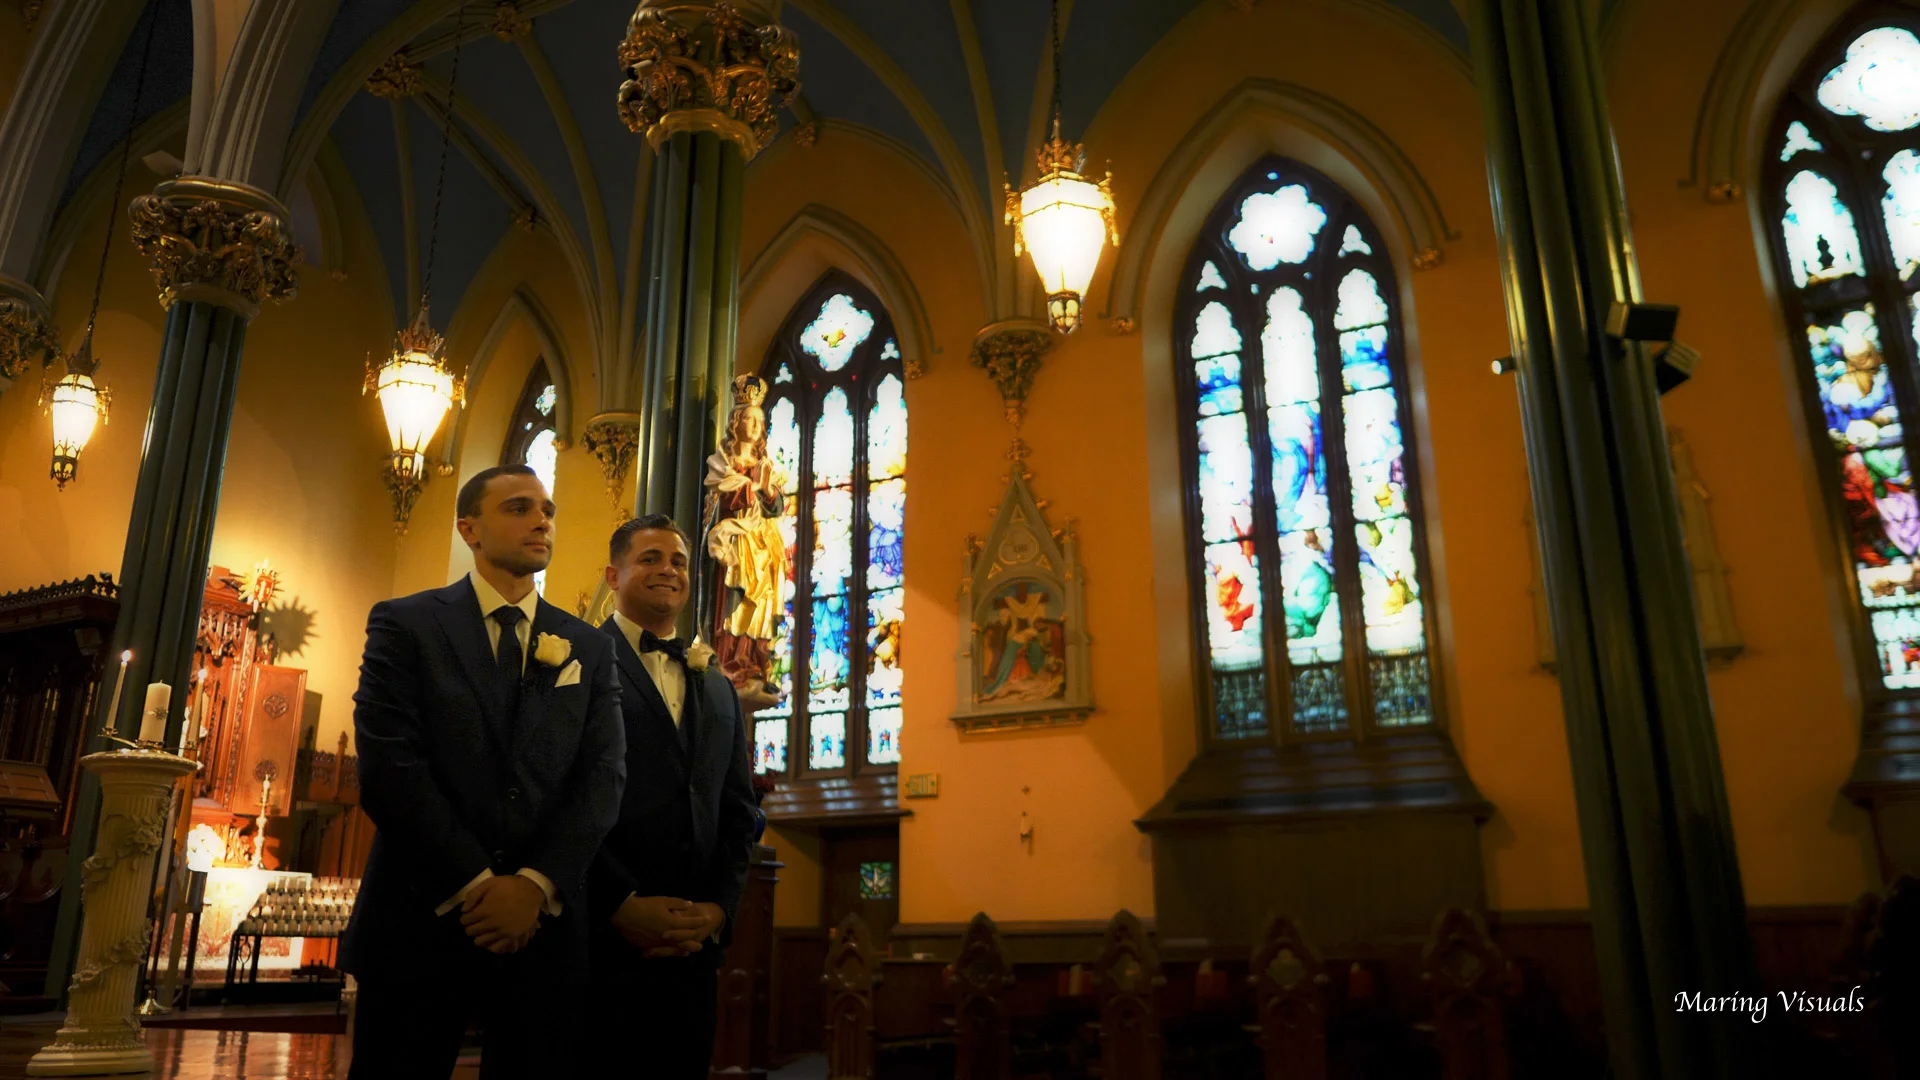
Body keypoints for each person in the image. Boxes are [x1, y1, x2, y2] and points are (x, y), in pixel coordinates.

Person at [343, 464, 626, 1079]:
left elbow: (603, 778)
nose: (541, 520)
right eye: (519, 508)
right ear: (469, 529)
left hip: (543, 931)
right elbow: (391, 767)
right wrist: (476, 884)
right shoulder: (406, 623)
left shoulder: (588, 646)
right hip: (421, 915)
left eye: (547, 510)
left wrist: (534, 885)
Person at [586, 514, 759, 1077]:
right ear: (614, 575)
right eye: (651, 558)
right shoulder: (575, 661)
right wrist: (618, 903)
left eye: (679, 561)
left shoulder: (718, 684)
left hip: (691, 953)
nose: (668, 570)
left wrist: (716, 909)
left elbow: (739, 810)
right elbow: (559, 798)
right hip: (597, 946)